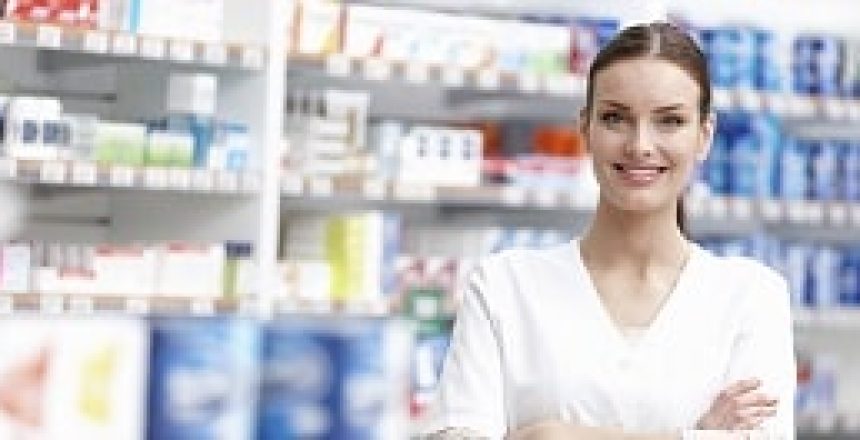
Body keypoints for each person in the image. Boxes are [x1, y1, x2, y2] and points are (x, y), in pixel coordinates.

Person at [424, 22, 796, 440]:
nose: (639, 145)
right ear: (585, 130)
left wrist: (553, 435)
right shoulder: (504, 286)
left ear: (704, 137)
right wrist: (698, 435)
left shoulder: (751, 295)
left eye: (670, 121)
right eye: (616, 118)